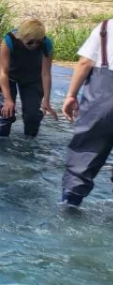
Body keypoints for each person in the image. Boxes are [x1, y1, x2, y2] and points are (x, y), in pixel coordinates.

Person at [61, 19, 113, 207]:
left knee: (85, 152)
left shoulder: (106, 27)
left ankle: (70, 204)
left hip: (102, 100)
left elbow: (85, 62)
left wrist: (71, 95)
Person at [0, 18, 57, 138]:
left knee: (33, 115)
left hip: (32, 74)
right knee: (7, 110)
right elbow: (3, 73)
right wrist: (8, 100)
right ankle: (1, 138)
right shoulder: (9, 41)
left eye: (38, 42)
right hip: (8, 74)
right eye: (30, 42)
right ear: (21, 37)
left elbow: (45, 74)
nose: (34, 45)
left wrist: (46, 100)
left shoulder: (46, 44)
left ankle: (30, 139)